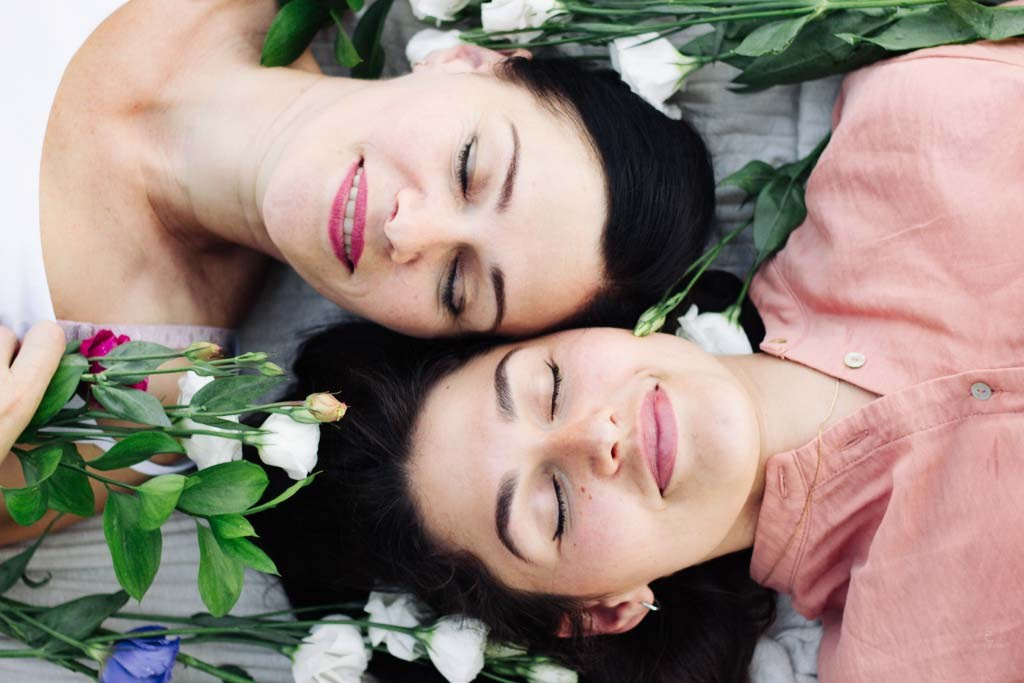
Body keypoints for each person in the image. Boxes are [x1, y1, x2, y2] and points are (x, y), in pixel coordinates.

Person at [251, 36, 1024, 682]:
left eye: (550, 385)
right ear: (601, 610)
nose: (596, 437)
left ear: (581, 326)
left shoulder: (918, 114)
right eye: (553, 506)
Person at [0, 0, 714, 531]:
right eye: (468, 166)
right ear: (467, 60)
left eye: (456, 285)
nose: (408, 228)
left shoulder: (142, 407)